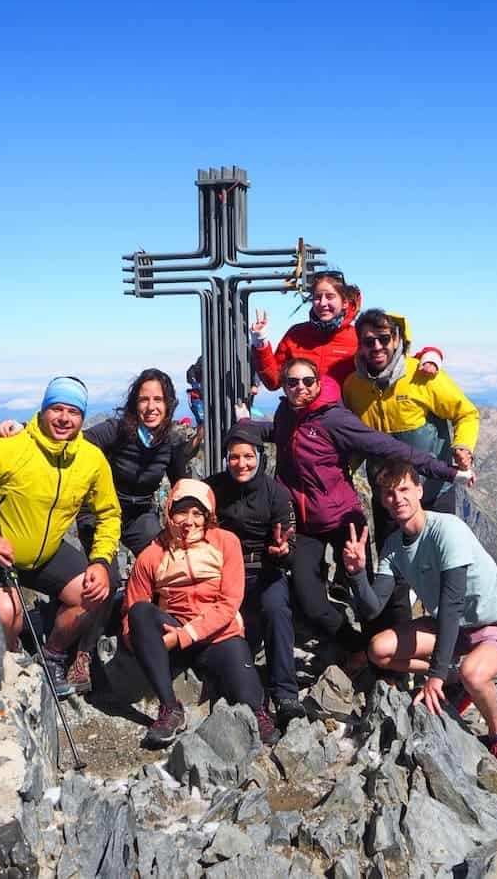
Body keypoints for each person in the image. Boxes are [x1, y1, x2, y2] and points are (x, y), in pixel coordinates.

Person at [247, 357, 473, 660]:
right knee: (310, 602)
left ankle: (385, 661)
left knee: (367, 594)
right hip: (304, 523)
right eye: (292, 382)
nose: (300, 387)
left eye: (307, 381)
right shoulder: (287, 413)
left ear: (317, 382)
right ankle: (357, 649)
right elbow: (280, 433)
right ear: (284, 386)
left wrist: (446, 472)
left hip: (344, 520)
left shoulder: (335, 419)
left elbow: (389, 448)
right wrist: (243, 429)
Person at [0, 368, 193, 690]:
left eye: (158, 399)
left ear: (169, 403)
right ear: (134, 403)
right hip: (100, 512)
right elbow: (66, 439)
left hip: (139, 512)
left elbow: (182, 484)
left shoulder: (171, 441)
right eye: (143, 399)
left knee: (161, 565)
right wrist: (23, 431)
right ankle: (81, 654)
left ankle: (158, 633)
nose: (150, 406)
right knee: (108, 579)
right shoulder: (116, 431)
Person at [342, 457, 497, 782]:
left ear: (419, 490)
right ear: (381, 500)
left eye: (404, 489)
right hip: (459, 631)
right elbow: (373, 607)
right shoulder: (393, 546)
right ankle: (456, 678)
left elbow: (451, 604)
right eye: (388, 493)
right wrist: (358, 572)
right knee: (380, 650)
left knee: (475, 674)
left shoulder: (447, 530)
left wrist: (434, 676)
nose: (397, 498)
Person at [0, 376, 119, 699]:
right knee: (9, 612)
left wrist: (102, 561)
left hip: (43, 555)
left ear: (83, 417)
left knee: (94, 593)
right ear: (44, 409)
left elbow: (108, 513)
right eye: (57, 409)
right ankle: (12, 663)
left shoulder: (90, 460)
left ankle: (51, 656)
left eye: (73, 412)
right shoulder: (11, 449)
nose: (64, 418)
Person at [122, 479, 281, 748]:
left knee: (249, 700)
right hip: (172, 629)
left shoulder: (225, 542)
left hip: (219, 634)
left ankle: (257, 711)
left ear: (209, 515)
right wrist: (142, 643)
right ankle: (170, 709)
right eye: (181, 511)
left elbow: (229, 602)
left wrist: (183, 636)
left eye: (198, 513)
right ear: (169, 513)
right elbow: (131, 612)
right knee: (140, 612)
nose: (188, 520)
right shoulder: (151, 555)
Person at [342, 310, 479, 542]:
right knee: (395, 568)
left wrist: (463, 446)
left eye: (384, 339)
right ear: (360, 346)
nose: (376, 346)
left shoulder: (422, 375)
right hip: (388, 498)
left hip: (433, 493)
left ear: (397, 339)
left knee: (438, 564)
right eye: (368, 341)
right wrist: (340, 474)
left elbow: (466, 413)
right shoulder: (353, 386)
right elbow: (357, 443)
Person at [204, 423, 305, 729]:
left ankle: (286, 695)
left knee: (276, 610)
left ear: (260, 456)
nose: (241, 463)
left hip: (265, 570)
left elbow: (291, 539)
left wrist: (282, 551)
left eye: (248, 456)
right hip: (223, 574)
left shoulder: (275, 493)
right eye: (234, 457)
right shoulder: (213, 488)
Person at [250, 270, 362, 392]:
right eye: (317, 297)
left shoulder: (357, 337)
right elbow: (274, 381)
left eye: (330, 297)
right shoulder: (296, 335)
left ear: (345, 302)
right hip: (300, 410)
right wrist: (260, 341)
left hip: (342, 410)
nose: (323, 303)